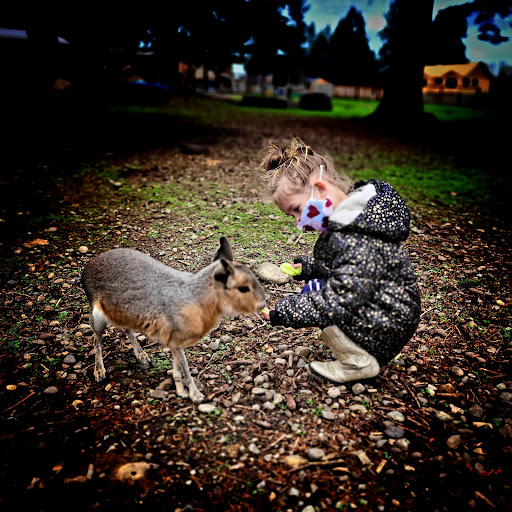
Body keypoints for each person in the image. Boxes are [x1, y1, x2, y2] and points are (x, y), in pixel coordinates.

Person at [261, 138, 421, 383]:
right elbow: (347, 269)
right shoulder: (354, 221)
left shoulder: (355, 236)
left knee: (325, 308)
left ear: (320, 189)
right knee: (318, 291)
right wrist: (309, 267)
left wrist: (285, 311)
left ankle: (358, 363)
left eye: (296, 209)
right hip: (387, 313)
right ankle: (358, 347)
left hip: (388, 323)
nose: (298, 222)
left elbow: (342, 298)